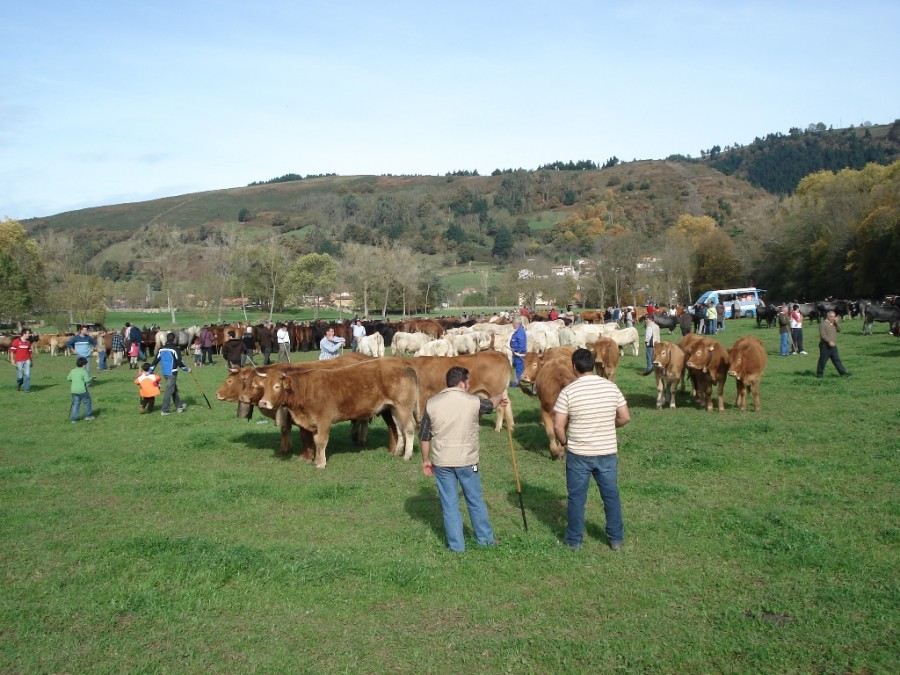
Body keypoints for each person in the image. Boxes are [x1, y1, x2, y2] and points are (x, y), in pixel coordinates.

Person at [419, 366, 508, 552]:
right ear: (462, 383)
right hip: (469, 462)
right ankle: (485, 540)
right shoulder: (473, 402)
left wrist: (426, 459)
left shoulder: (431, 403)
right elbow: (490, 404)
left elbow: (424, 435)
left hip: (442, 463)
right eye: (467, 382)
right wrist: (500, 396)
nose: (469, 385)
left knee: (449, 505)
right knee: (475, 500)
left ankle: (456, 546)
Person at [553, 348, 631, 551]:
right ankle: (616, 539)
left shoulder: (568, 391)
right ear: (593, 364)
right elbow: (624, 417)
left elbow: (558, 425)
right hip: (606, 452)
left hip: (579, 454)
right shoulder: (610, 387)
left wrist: (564, 443)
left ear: (574, 367)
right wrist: (606, 424)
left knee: (577, 498)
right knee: (611, 496)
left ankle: (574, 540)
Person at [148, 332, 190, 416]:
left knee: (174, 389)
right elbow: (180, 361)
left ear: (167, 339)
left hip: (165, 373)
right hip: (172, 373)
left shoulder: (161, 349)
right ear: (174, 339)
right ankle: (164, 410)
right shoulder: (175, 349)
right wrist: (187, 369)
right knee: (169, 391)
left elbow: (155, 361)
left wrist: (149, 371)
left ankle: (179, 406)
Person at [816, 311, 851, 378]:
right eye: (831, 317)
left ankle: (843, 373)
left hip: (833, 345)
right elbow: (823, 335)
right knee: (823, 360)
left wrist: (836, 323)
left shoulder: (834, 323)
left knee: (837, 360)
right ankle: (819, 374)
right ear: (828, 317)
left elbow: (839, 330)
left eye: (834, 317)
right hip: (825, 345)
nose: (833, 318)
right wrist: (829, 341)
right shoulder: (823, 324)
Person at [67, 356, 94, 423]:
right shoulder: (83, 371)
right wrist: (92, 378)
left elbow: (68, 378)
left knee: (76, 404)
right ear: (83, 365)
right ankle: (88, 416)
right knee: (87, 402)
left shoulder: (73, 370)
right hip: (82, 390)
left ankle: (74, 419)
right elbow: (87, 380)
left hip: (74, 391)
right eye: (85, 364)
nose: (85, 366)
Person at [509, 316, 527, 387]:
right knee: (518, 368)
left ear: (516, 323)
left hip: (519, 354)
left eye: (513, 323)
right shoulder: (518, 331)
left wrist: (518, 352)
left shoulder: (520, 332)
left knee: (519, 368)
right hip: (516, 353)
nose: (512, 325)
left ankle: (517, 383)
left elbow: (521, 343)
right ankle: (518, 382)